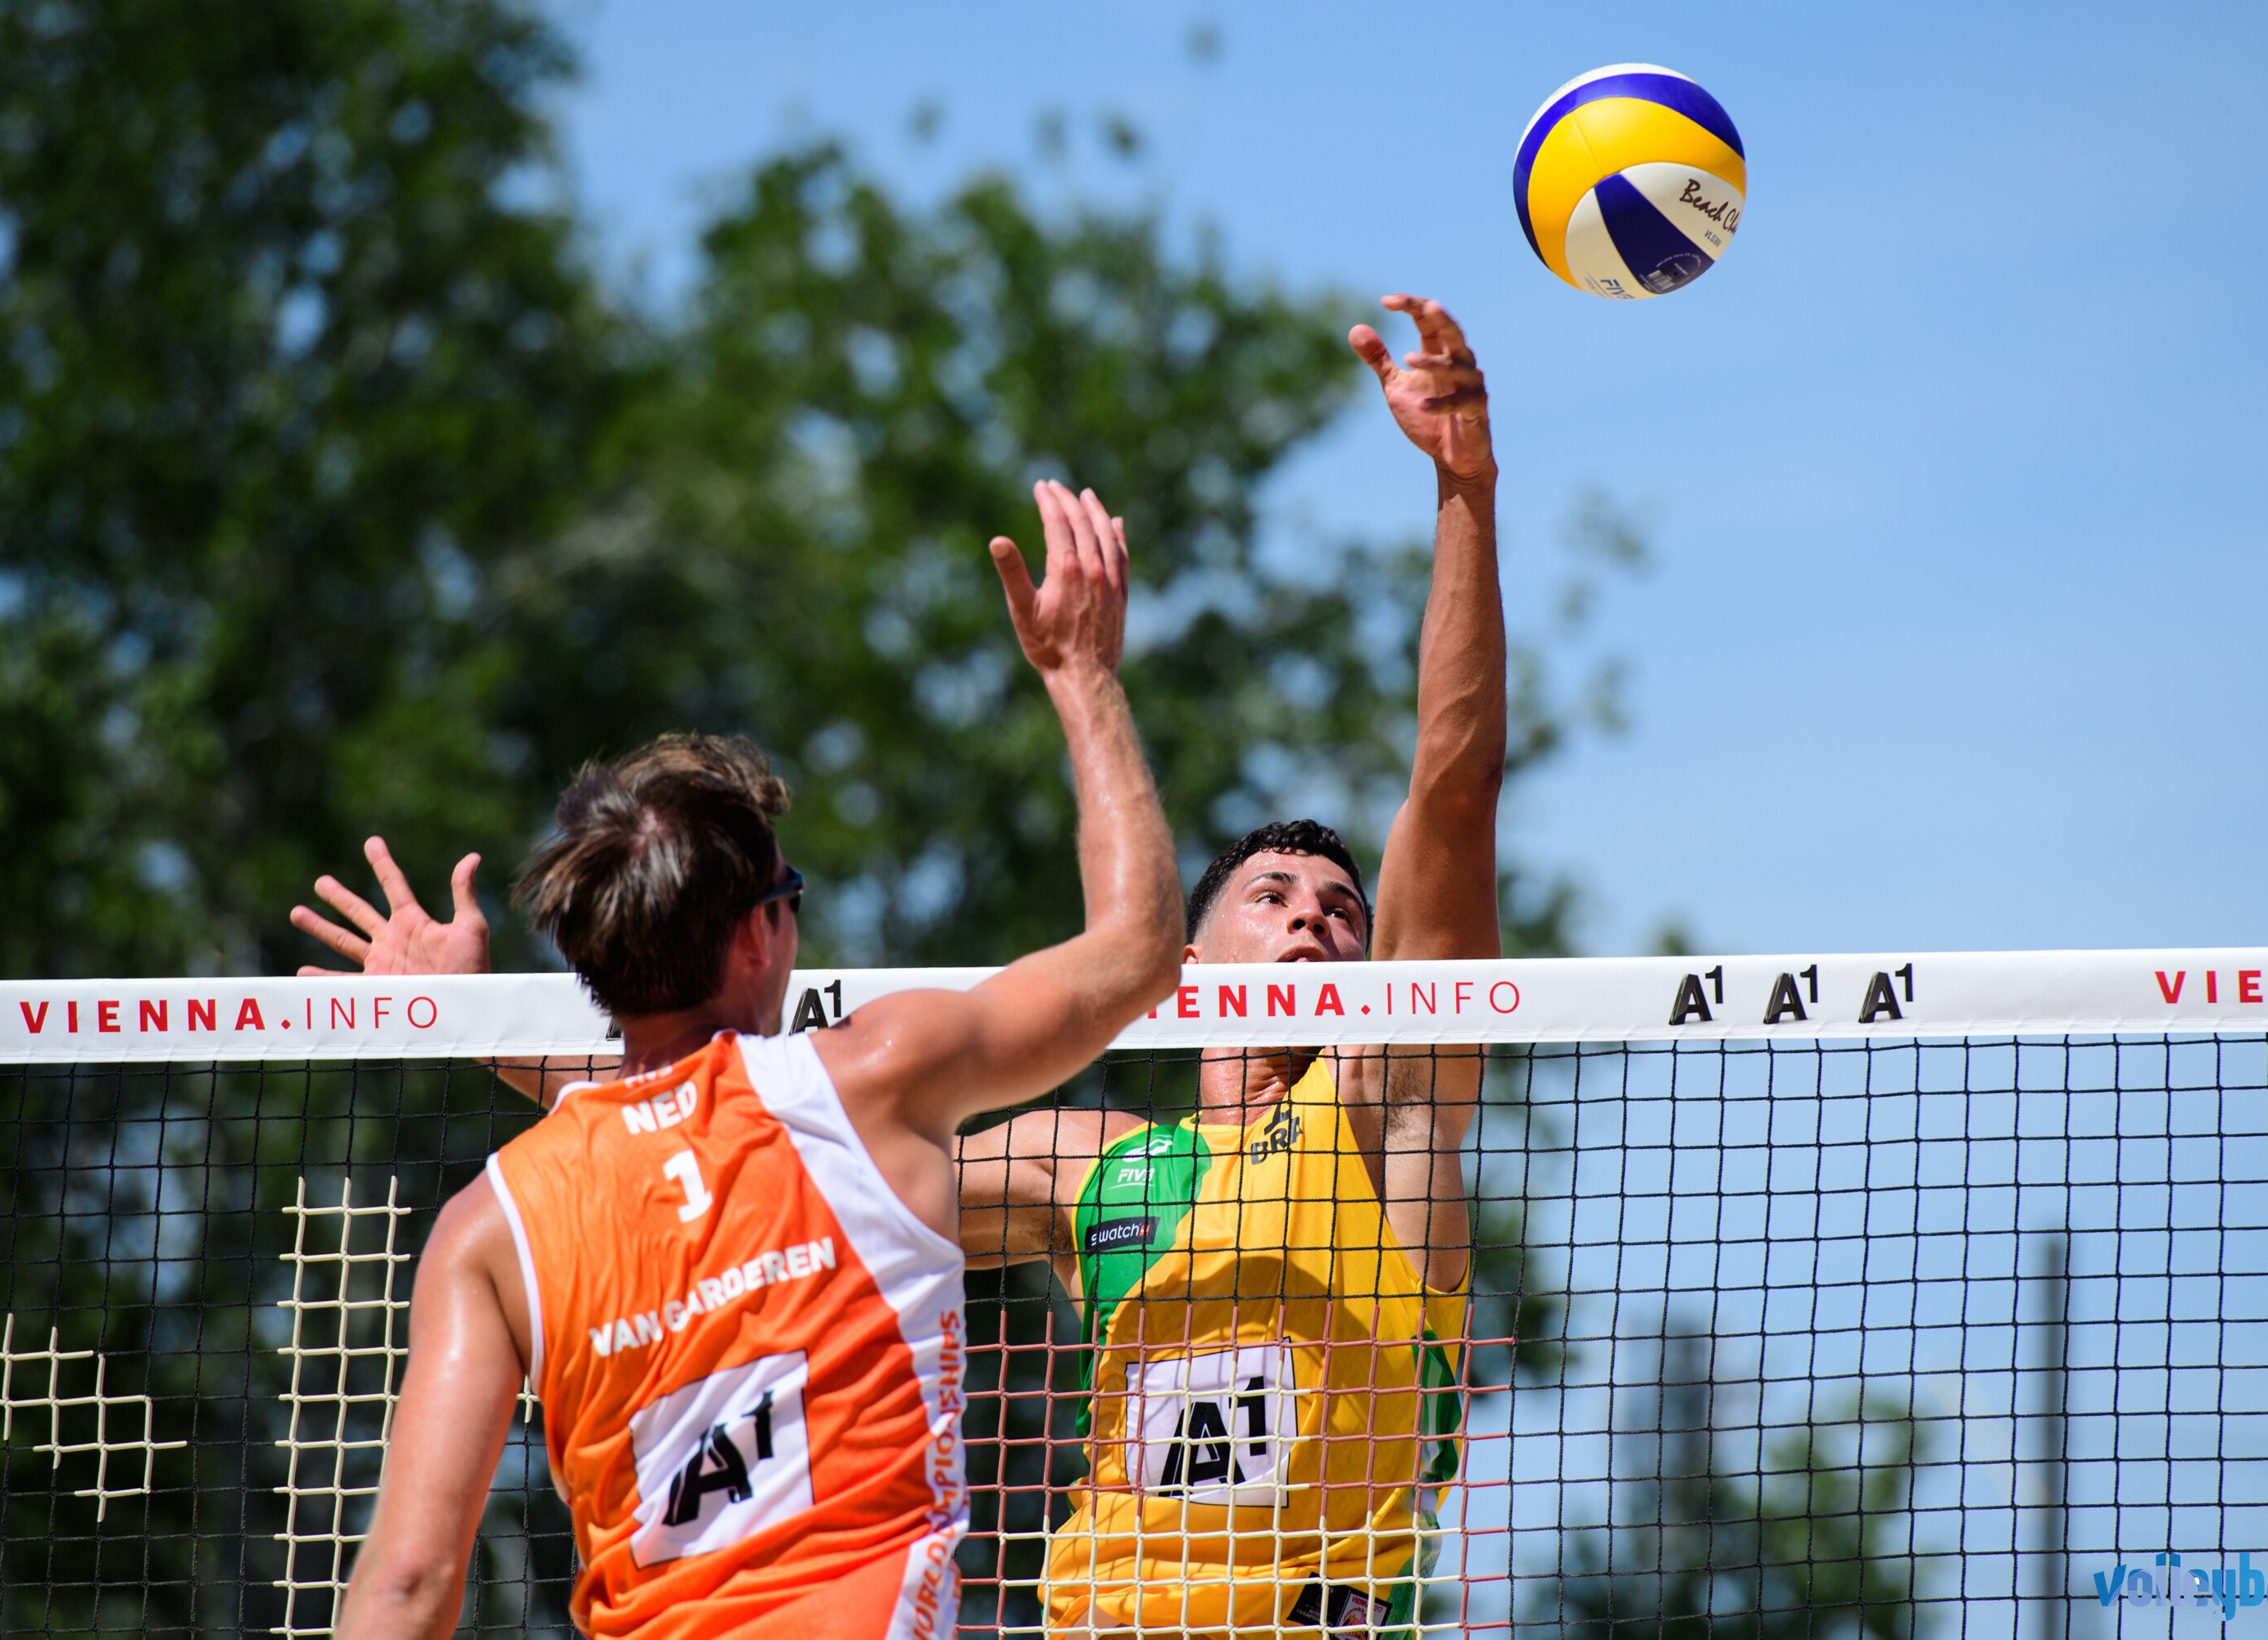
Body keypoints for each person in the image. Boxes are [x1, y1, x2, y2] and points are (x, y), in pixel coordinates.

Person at [314, 482, 1182, 1640]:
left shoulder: (490, 1226)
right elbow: (1138, 949)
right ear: (756, 936)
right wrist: (1082, 674)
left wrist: (469, 1018)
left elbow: (408, 1584)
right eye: (791, 894)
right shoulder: (874, 1078)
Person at [954, 294, 1501, 1639]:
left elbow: (1453, 789)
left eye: (1344, 911)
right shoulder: (1091, 1163)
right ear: (1188, 965)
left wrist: (1464, 493)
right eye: (1275, 896)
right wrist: (463, 1023)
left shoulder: (1388, 1103)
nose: (1316, 920)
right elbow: (776, 1149)